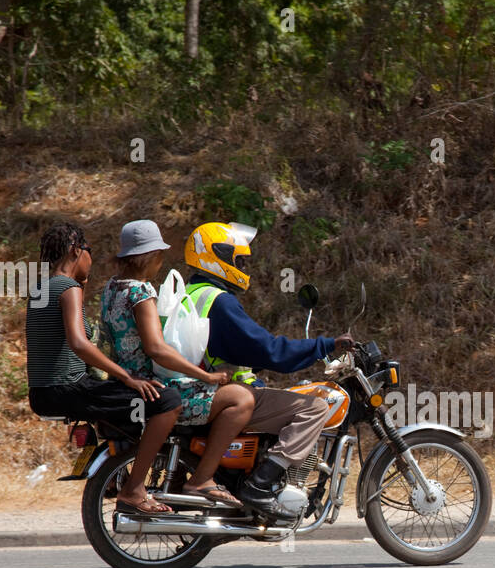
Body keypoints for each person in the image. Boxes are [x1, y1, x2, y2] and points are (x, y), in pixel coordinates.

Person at [180, 221, 353, 519]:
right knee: (314, 408)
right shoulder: (219, 302)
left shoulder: (192, 292)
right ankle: (260, 485)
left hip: (195, 388)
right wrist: (325, 345)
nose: (242, 265)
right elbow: (271, 350)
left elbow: (233, 351)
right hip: (213, 393)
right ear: (216, 255)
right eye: (238, 259)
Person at [26, 222, 184, 515]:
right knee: (168, 402)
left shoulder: (41, 289)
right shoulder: (68, 288)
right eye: (88, 251)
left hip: (43, 392)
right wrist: (127, 377)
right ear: (76, 250)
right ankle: (134, 491)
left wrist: (80, 287)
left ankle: (117, 476)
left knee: (127, 406)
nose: (91, 258)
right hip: (69, 387)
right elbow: (79, 343)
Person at [99, 220, 255, 509]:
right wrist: (204, 376)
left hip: (122, 382)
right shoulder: (141, 292)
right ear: (149, 256)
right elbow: (157, 349)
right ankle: (202, 479)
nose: (161, 261)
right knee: (241, 399)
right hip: (153, 387)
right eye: (159, 254)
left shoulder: (110, 289)